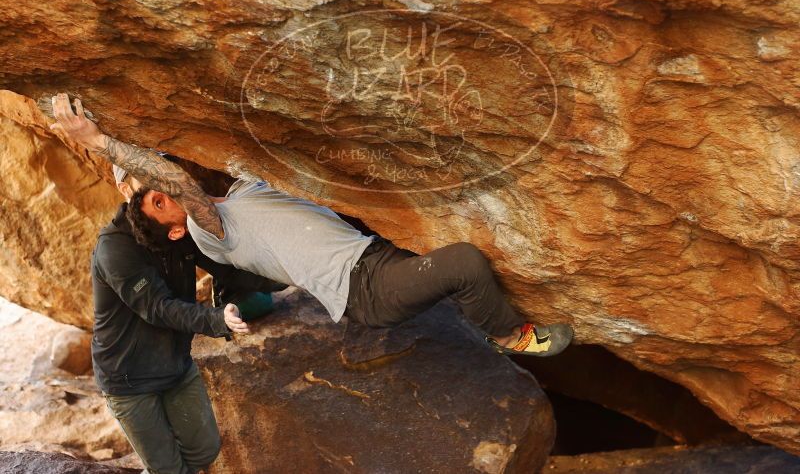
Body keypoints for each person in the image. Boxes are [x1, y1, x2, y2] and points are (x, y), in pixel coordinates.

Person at [51, 93, 573, 356]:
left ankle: (481, 315)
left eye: (153, 196)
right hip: (363, 288)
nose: (161, 196)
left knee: (453, 264)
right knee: (464, 262)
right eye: (159, 205)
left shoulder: (241, 192)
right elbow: (170, 179)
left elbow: (154, 177)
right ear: (175, 231)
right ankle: (508, 336)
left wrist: (115, 152)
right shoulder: (214, 233)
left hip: (374, 255)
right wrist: (101, 144)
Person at [91, 163, 286, 474]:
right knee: (168, 468)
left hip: (175, 366)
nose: (158, 181)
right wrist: (217, 320)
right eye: (143, 176)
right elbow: (158, 308)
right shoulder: (114, 248)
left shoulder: (179, 226)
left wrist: (288, 273)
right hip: (129, 379)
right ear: (125, 190)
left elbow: (227, 266)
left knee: (205, 449)